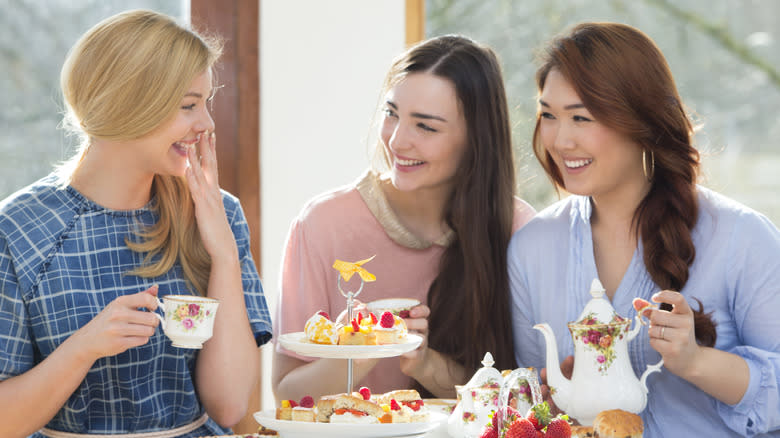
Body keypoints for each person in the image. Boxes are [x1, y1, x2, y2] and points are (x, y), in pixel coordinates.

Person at [0, 10, 272, 438]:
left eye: (206, 103)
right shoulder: (19, 229)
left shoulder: (219, 214)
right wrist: (86, 347)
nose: (207, 124)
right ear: (130, 105)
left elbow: (231, 403)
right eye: (189, 106)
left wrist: (223, 256)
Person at [508, 22, 780, 437]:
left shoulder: (743, 237)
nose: (560, 140)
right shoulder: (532, 247)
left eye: (581, 117)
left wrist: (694, 361)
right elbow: (532, 406)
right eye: (548, 115)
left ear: (642, 121)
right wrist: (553, 394)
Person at [272, 35, 536, 401]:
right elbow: (285, 395)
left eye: (425, 126)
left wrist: (426, 364)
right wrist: (357, 353)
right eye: (391, 114)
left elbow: (524, 400)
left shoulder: (519, 231)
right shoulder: (321, 224)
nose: (397, 141)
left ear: (477, 138)